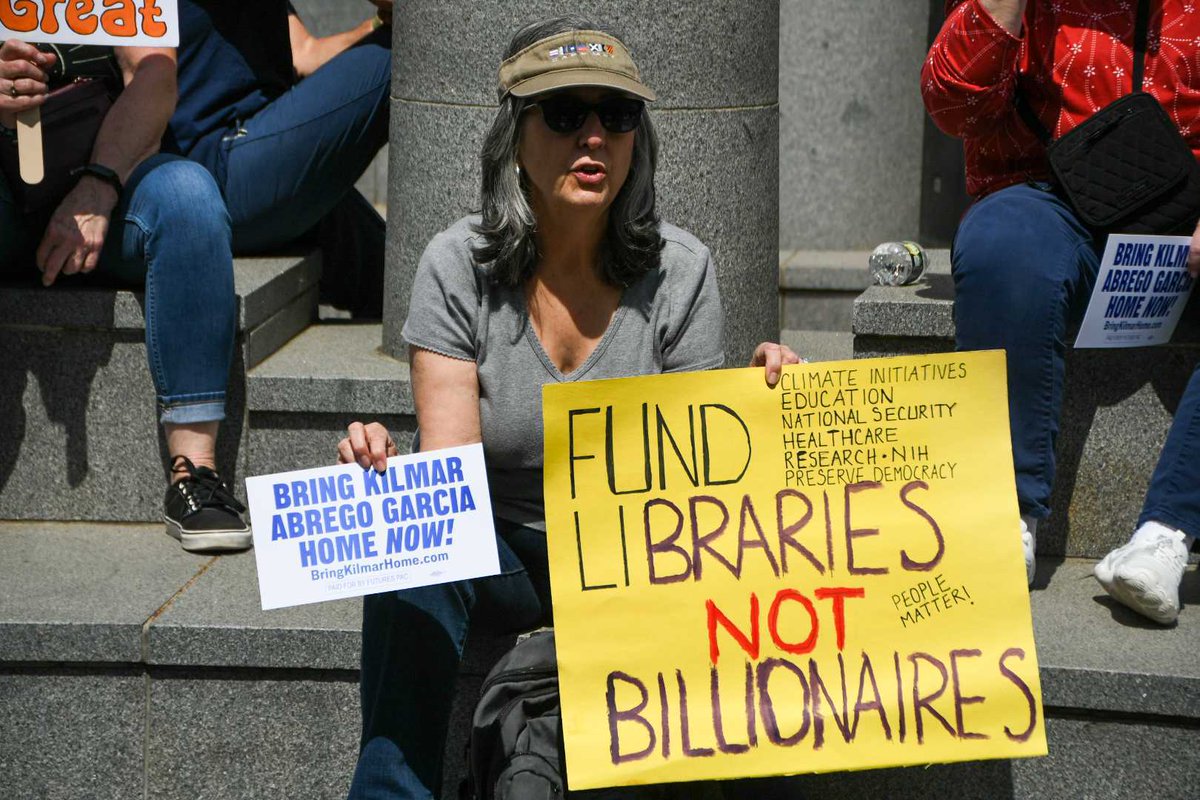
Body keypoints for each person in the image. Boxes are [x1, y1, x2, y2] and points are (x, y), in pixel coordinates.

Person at [337, 17, 798, 798]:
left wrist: (761, 409)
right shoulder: (456, 265)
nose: (594, 138)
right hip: (506, 550)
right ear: (514, 138)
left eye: (616, 116)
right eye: (563, 114)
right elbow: (450, 479)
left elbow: (693, 487)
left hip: (633, 558)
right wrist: (387, 470)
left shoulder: (682, 271)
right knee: (408, 538)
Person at [922, 0, 1199, 621]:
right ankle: (1002, 511)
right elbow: (951, 106)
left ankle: (1167, 532)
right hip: (1050, 194)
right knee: (1004, 249)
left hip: (1188, 209)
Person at [0, 39, 252, 552]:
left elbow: (154, 76)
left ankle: (196, 474)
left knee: (188, 198)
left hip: (106, 175)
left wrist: (99, 184)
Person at [167, 0, 394, 316]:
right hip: (203, 178)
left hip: (255, 151)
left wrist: (379, 23)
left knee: (400, 285)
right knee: (412, 48)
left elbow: (304, 54)